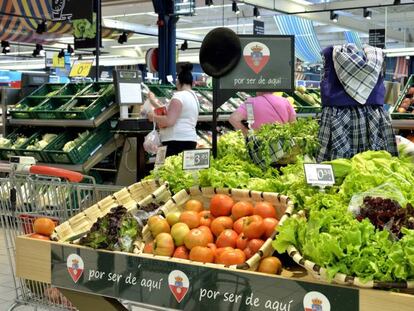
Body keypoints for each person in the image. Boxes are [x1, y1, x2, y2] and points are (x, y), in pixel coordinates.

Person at [317, 44, 397, 162]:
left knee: (335, 168)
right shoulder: (378, 56)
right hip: (374, 117)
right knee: (377, 165)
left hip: (337, 119)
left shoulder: (329, 55)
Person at [147, 63, 199, 157]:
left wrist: (153, 117)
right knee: (183, 170)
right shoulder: (194, 97)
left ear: (178, 82)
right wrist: (153, 101)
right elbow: (171, 111)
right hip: (190, 139)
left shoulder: (179, 96)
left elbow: (170, 121)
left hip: (175, 141)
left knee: (169, 170)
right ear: (191, 82)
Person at [229, 92, 296, 136]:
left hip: (259, 147)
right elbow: (293, 125)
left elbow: (234, 119)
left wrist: (247, 134)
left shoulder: (251, 102)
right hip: (280, 147)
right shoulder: (285, 102)